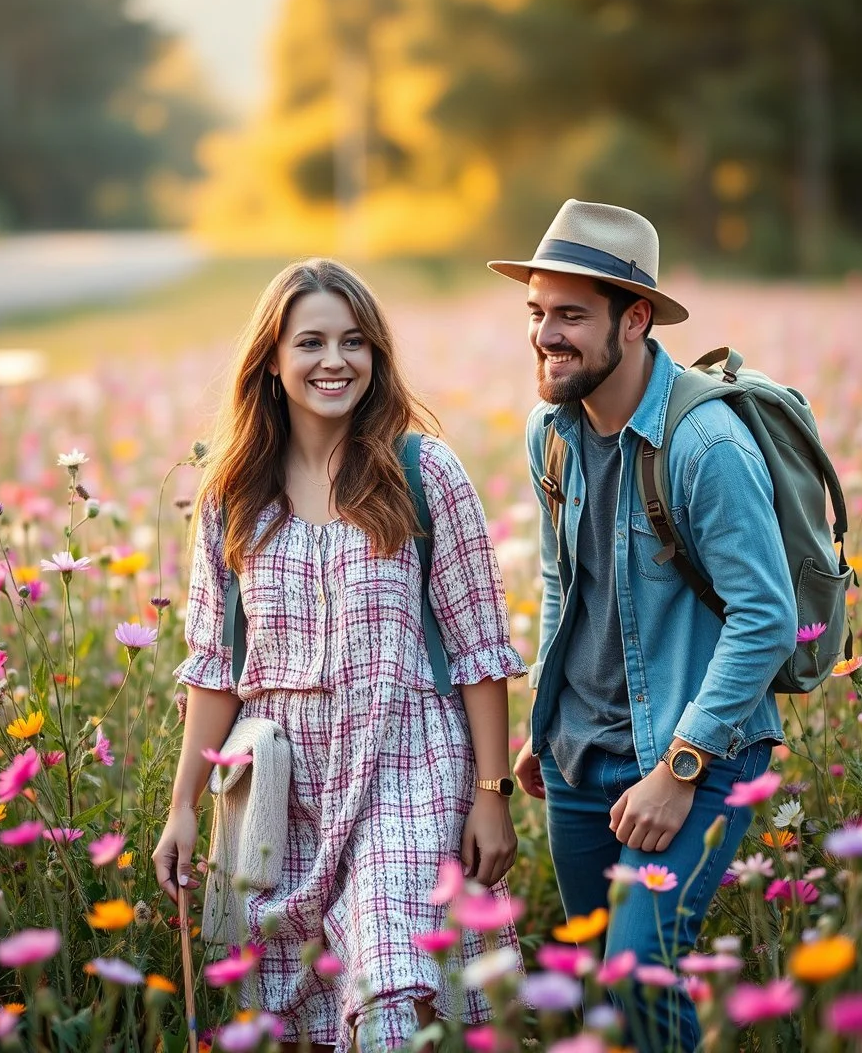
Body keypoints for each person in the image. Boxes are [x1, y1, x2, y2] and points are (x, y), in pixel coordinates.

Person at [152, 259, 525, 1052]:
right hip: (282, 780)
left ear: (376, 356)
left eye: (354, 342)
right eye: (311, 341)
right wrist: (184, 804)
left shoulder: (425, 474)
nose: (335, 361)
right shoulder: (232, 495)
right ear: (273, 361)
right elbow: (217, 669)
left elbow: (478, 651)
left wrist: (491, 793)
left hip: (408, 759)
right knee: (306, 1005)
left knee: (394, 971)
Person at [489, 201, 797, 1052]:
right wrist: (544, 721)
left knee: (637, 972)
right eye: (538, 313)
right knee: (602, 989)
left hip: (689, 755)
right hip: (579, 757)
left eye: (571, 316)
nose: (547, 335)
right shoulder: (549, 432)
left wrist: (680, 767)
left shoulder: (706, 445)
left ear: (635, 319)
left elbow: (766, 620)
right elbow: (564, 580)